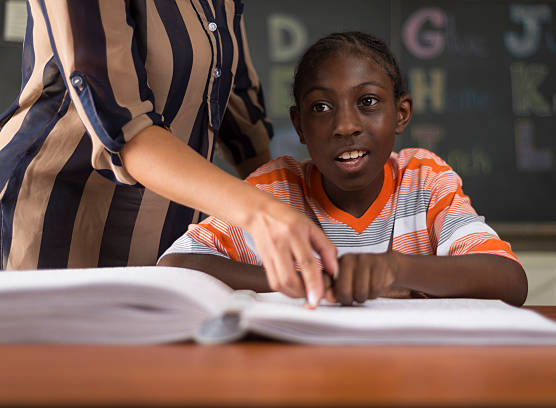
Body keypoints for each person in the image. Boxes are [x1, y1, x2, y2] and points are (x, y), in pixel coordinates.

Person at [0, 1, 337, 308]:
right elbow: (123, 127)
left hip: (163, 245)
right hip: (53, 228)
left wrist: (307, 217)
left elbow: (242, 122)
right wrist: (262, 212)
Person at [158, 31, 528, 307]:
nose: (345, 126)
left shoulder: (424, 179)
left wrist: (395, 268)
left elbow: (510, 280)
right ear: (299, 126)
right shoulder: (276, 189)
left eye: (367, 101)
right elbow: (176, 264)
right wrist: (308, 280)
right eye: (321, 107)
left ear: (401, 114)